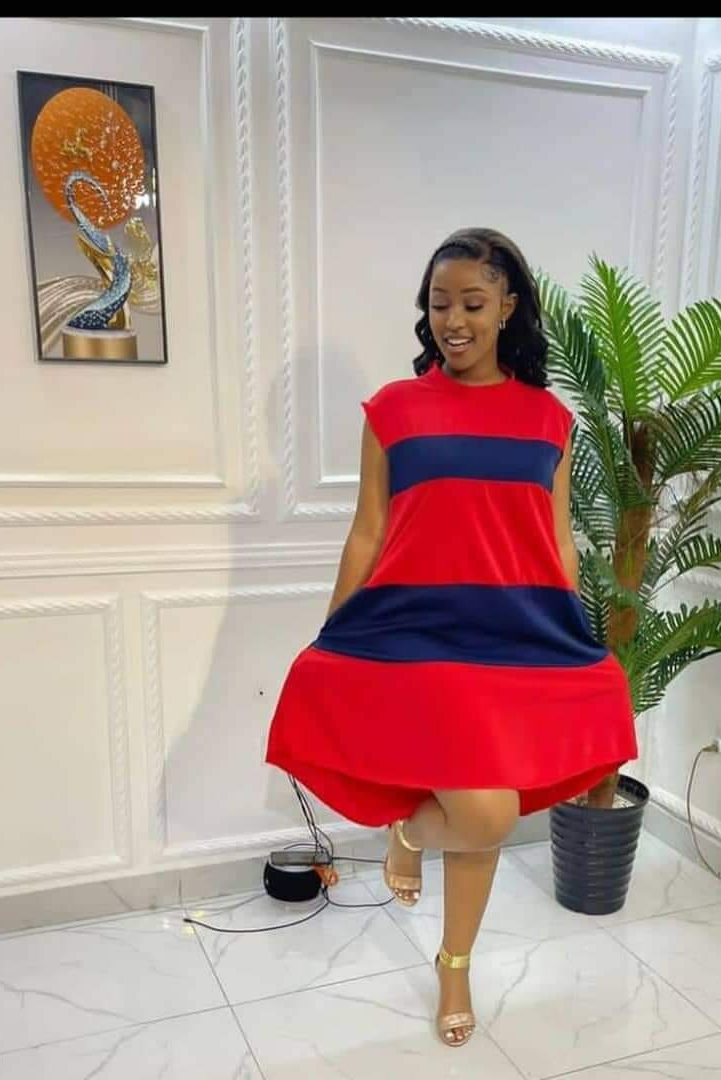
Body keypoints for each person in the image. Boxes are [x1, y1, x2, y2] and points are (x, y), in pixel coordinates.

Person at [265, 227, 636, 1047]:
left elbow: (557, 539)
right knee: (485, 811)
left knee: (486, 810)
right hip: (416, 636)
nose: (453, 321)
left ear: (508, 308)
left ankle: (450, 952)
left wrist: (571, 637)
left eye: (472, 303)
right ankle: (413, 851)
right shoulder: (393, 411)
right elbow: (368, 531)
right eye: (439, 304)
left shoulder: (548, 420)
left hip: (512, 638)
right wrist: (335, 631)